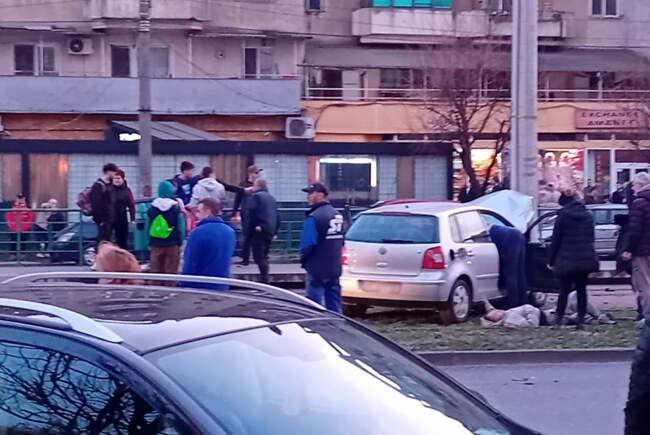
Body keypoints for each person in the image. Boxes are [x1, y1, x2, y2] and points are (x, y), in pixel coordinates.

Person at [547, 190, 599, 330]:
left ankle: (558, 320)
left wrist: (551, 260)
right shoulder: (588, 215)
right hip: (585, 259)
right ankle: (581, 320)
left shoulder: (563, 216)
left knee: (564, 290)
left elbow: (556, 239)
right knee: (581, 290)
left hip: (566, 259)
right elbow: (591, 237)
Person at [300, 183, 345, 313]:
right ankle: (337, 324)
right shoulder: (337, 215)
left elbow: (307, 244)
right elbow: (342, 240)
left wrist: (304, 261)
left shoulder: (314, 217)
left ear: (320, 195)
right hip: (334, 268)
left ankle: (317, 324)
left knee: (314, 307)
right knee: (335, 305)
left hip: (316, 269)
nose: (308, 196)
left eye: (311, 193)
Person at [180, 198, 236, 290]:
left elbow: (190, 262)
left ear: (208, 212)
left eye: (198, 211)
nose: (196, 215)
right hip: (222, 284)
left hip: (200, 286)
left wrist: (184, 284)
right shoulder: (230, 232)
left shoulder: (197, 232)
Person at [147, 180, 186, 284]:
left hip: (155, 244)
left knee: (155, 274)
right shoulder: (176, 208)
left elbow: (148, 227)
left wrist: (149, 241)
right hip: (172, 244)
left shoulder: (152, 208)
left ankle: (155, 292)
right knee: (171, 274)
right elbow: (181, 227)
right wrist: (180, 241)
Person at [623, 172, 650, 318]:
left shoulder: (639, 203)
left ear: (641, 185)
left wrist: (628, 249)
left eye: (633, 185)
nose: (632, 188)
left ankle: (647, 318)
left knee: (644, 285)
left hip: (642, 250)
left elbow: (635, 230)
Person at [248, 179, 281, 283]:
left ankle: (264, 280)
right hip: (270, 229)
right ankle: (265, 279)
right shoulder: (271, 198)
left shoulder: (256, 197)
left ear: (257, 186)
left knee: (258, 256)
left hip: (259, 230)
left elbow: (251, 212)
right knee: (264, 256)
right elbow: (277, 215)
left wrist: (256, 225)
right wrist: (275, 231)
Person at [488, 224, 527, 309]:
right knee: (519, 272)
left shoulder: (484, 232)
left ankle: (513, 304)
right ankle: (523, 302)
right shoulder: (495, 227)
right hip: (518, 234)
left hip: (510, 239)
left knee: (510, 274)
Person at [232, 165, 262, 265]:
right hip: (246, 214)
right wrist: (234, 213)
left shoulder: (260, 185)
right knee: (247, 236)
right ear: (250, 173)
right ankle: (245, 259)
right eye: (256, 173)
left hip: (258, 214)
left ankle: (259, 257)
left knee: (258, 236)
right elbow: (237, 200)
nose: (258, 175)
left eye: (258, 173)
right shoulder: (243, 185)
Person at [90, 163, 118, 244]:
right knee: (103, 240)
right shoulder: (98, 185)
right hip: (103, 219)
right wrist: (100, 220)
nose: (115, 175)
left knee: (107, 240)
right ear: (108, 172)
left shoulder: (109, 185)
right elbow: (95, 204)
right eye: (114, 173)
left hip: (109, 219)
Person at [109, 169, 135, 250]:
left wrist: (132, 219)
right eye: (115, 178)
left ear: (123, 179)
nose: (116, 180)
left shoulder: (127, 190)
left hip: (121, 217)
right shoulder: (107, 189)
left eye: (118, 178)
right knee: (106, 240)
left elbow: (131, 205)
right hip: (108, 218)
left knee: (122, 241)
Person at [6, 194, 35, 261]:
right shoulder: (12, 207)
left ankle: (21, 256)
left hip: (23, 228)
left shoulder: (27, 208)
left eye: (21, 198)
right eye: (18, 198)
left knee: (22, 242)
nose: (20, 199)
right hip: (14, 228)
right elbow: (8, 216)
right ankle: (13, 255)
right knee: (13, 241)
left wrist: (26, 226)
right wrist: (11, 225)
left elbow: (31, 218)